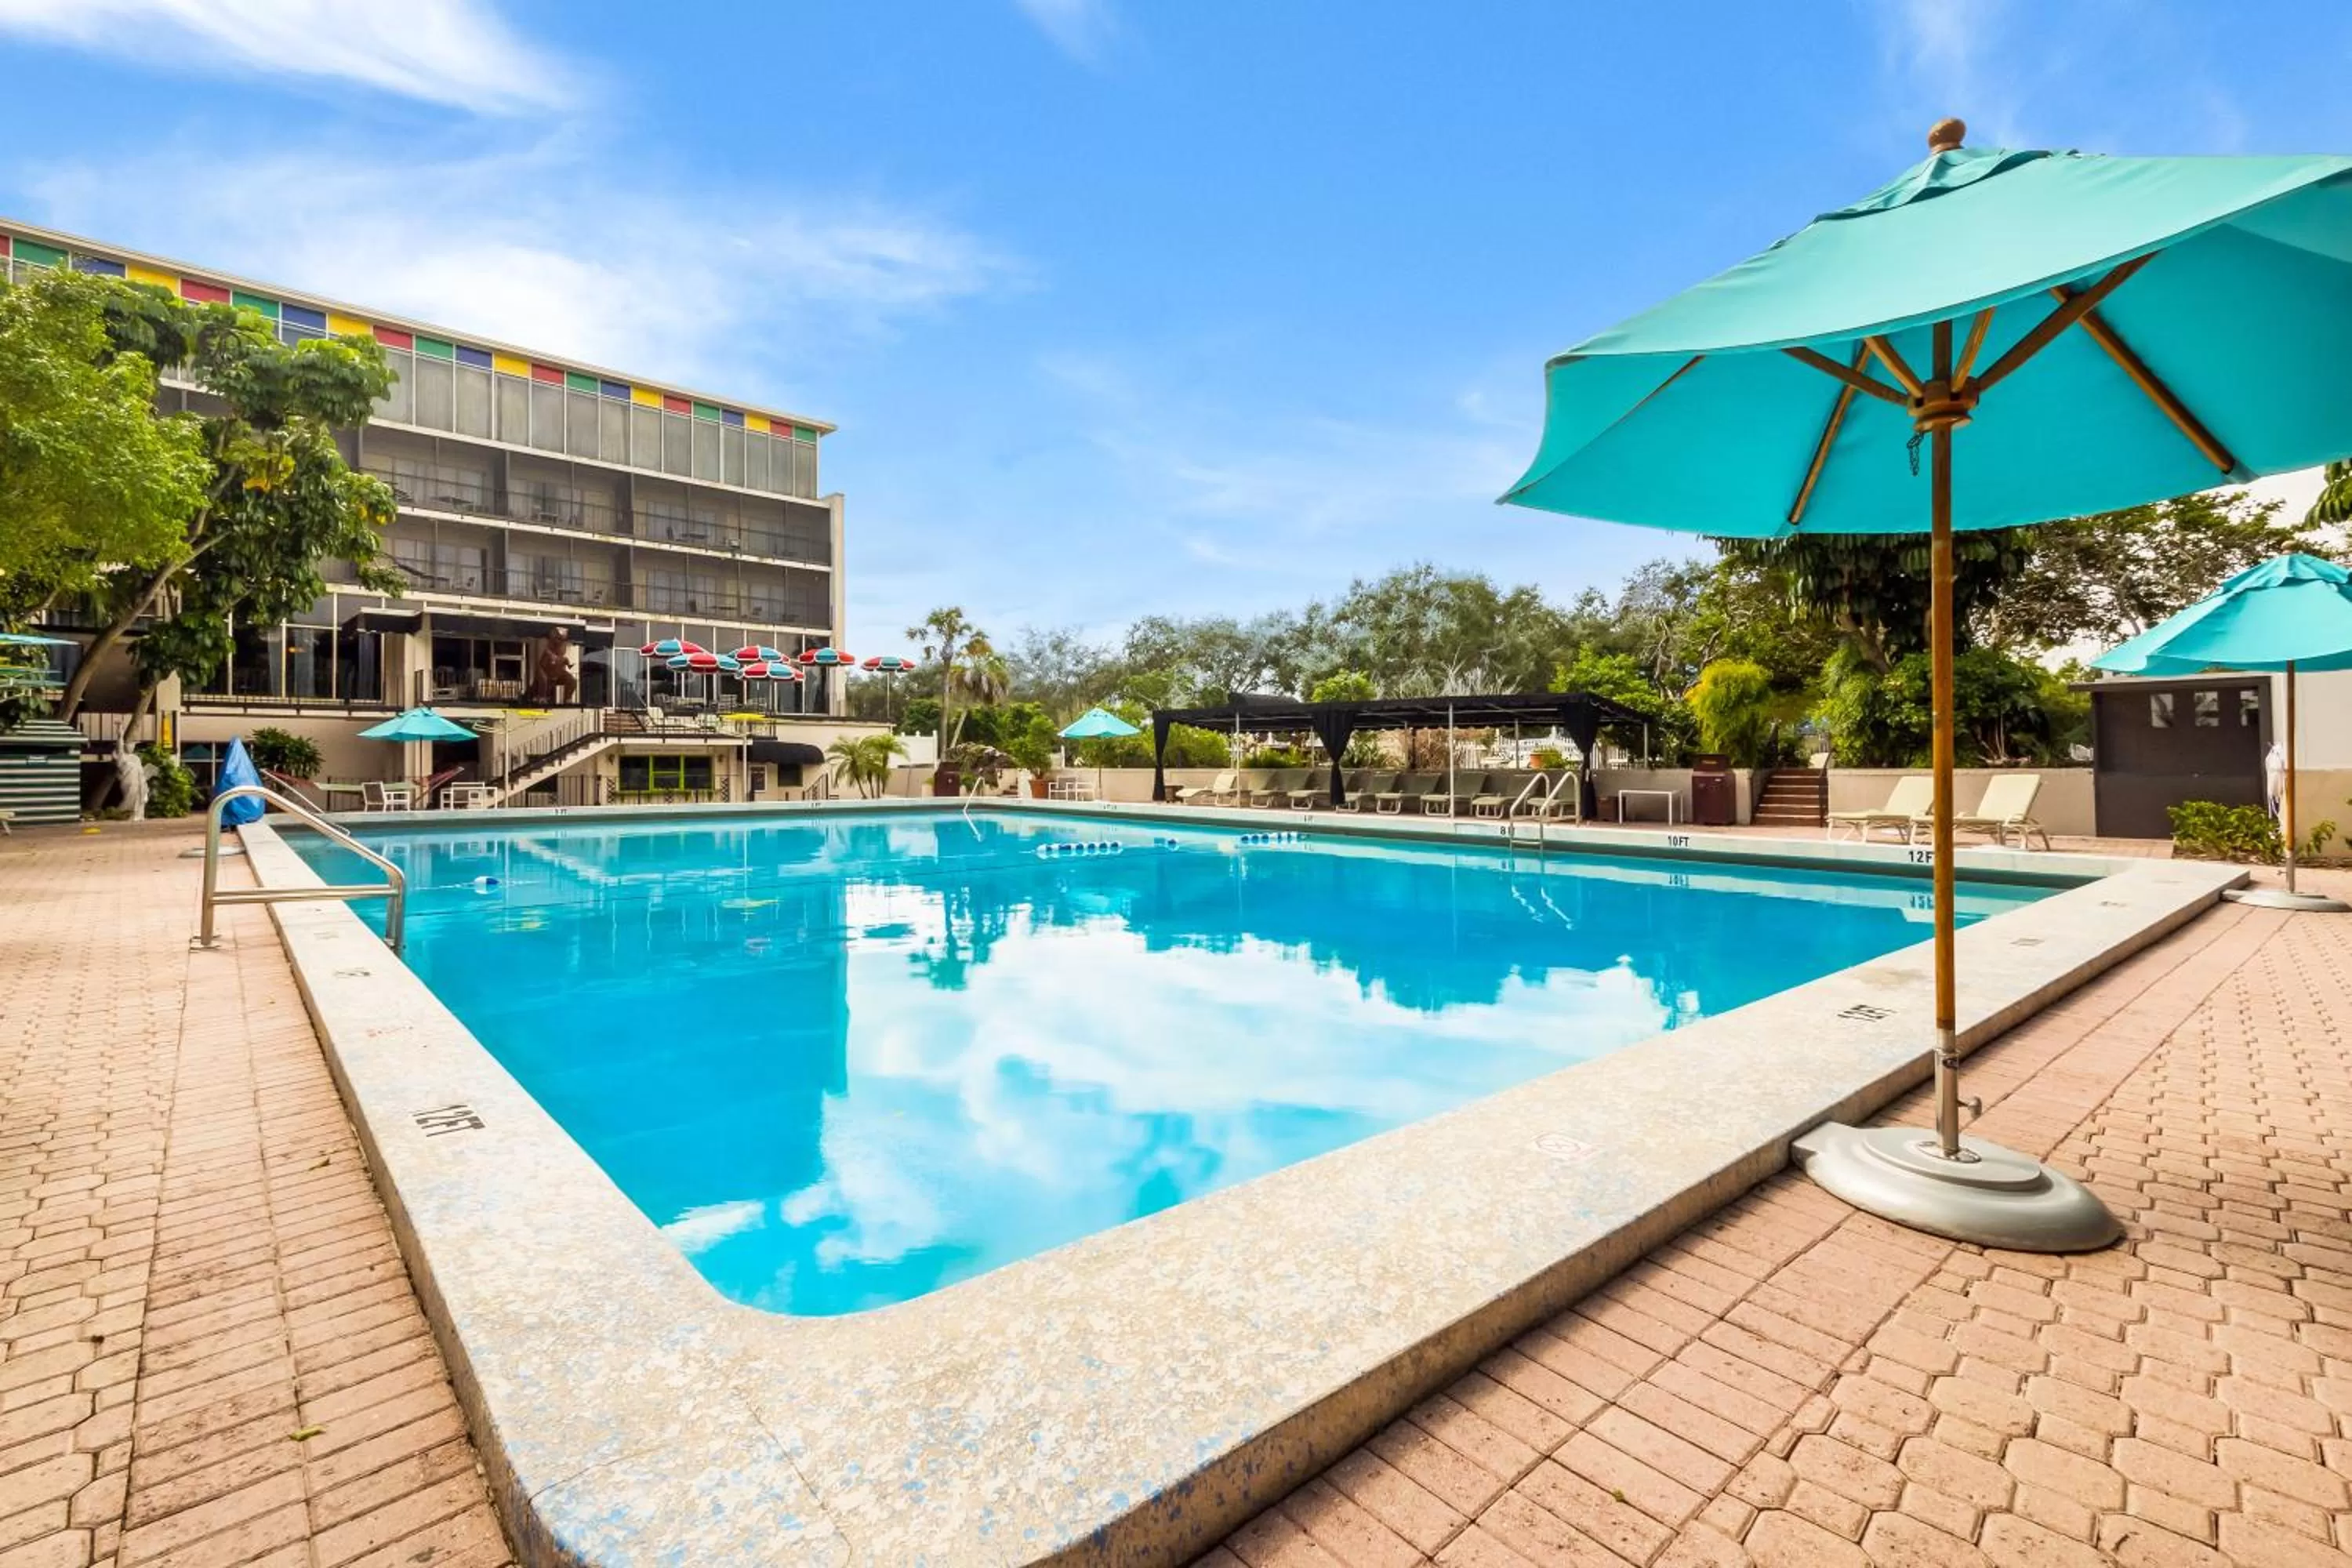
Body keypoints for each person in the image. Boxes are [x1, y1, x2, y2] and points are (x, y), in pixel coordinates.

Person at [529, 627, 578, 705]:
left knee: (572, 680)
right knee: (544, 680)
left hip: (557, 675)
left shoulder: (563, 658)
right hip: (546, 674)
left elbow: (568, 665)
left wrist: (569, 666)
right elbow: (542, 666)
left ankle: (568, 699)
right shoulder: (548, 653)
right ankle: (542, 698)